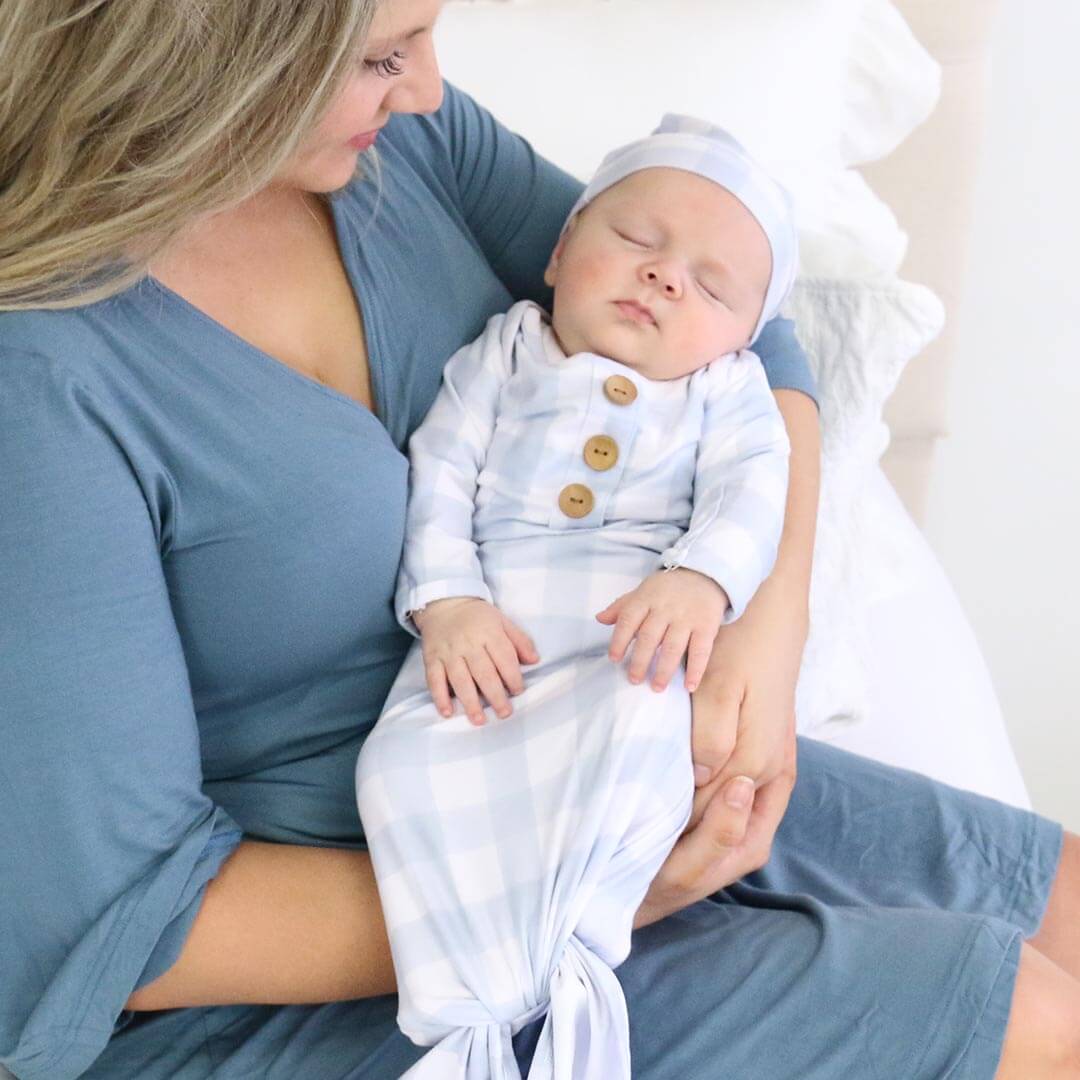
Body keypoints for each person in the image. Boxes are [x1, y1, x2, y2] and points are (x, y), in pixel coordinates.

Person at [1, 2, 1078, 1078]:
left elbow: (746, 301)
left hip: (611, 743)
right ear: (213, 47)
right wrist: (565, 884)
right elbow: (132, 926)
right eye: (381, 54)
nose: (425, 83)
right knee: (1035, 1025)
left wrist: (766, 620)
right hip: (348, 937)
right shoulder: (41, 379)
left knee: (1066, 908)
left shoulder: (398, 146)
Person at [356, 116, 798, 1078]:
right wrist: (447, 601)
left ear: (743, 332)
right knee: (397, 768)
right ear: (559, 252)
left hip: (625, 635)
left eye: (711, 285)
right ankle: (468, 1009)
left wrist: (700, 578)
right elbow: (438, 473)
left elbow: (755, 490)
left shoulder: (727, 391)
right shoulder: (504, 352)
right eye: (637, 241)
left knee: (640, 744)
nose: (666, 276)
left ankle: (567, 958)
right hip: (493, 635)